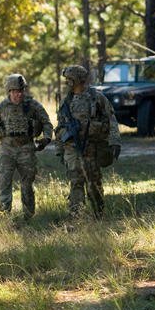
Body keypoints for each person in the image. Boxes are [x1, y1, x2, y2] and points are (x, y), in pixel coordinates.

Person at [55, 65, 120, 219]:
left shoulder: (96, 97)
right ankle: (76, 215)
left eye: (69, 79)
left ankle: (99, 214)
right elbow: (60, 126)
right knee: (76, 181)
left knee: (93, 182)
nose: (67, 82)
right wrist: (59, 150)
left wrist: (115, 141)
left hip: (92, 147)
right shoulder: (66, 101)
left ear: (77, 80)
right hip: (72, 148)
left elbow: (111, 120)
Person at [0, 74, 53, 219]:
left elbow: (47, 122)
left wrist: (46, 138)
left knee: (27, 184)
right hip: (6, 148)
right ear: (9, 91)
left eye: (21, 90)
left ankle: (29, 215)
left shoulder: (33, 105)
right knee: (4, 182)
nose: (19, 94)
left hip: (26, 148)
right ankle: (5, 215)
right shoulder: (1, 108)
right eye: (16, 91)